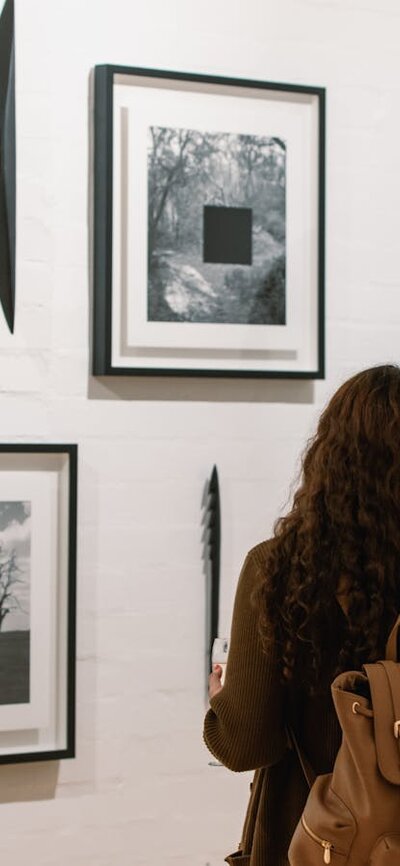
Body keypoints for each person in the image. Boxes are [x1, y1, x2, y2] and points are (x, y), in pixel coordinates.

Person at [203, 364, 400, 866]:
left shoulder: (279, 568)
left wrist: (221, 700)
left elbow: (245, 743)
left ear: (329, 456)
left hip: (313, 839)